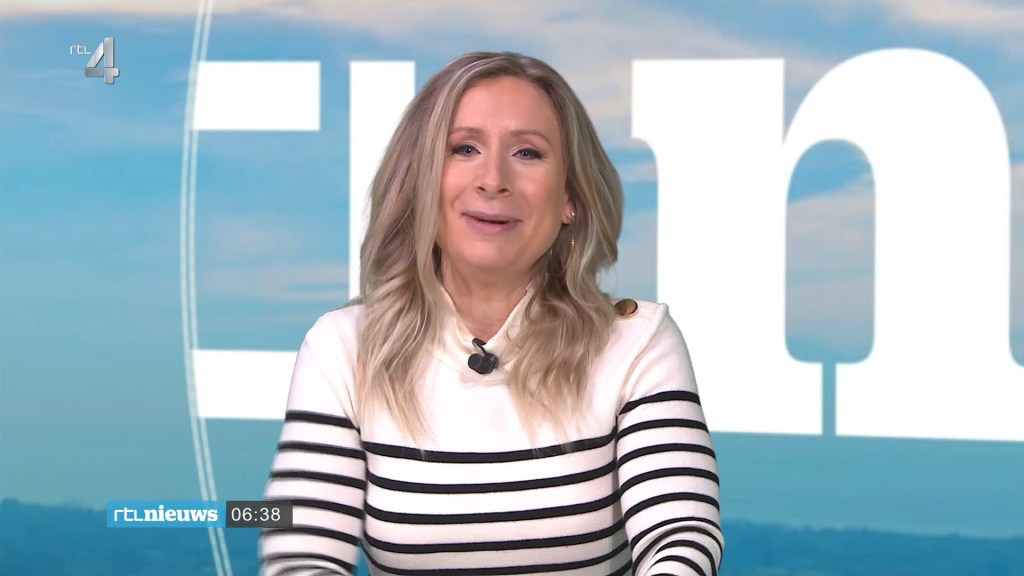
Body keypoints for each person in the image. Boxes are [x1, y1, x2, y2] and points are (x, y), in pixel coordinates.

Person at [259, 51, 722, 576]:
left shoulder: (637, 342)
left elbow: (681, 537)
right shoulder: (342, 347)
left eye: (527, 152)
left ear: (569, 198)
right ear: (420, 181)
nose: (493, 179)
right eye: (464, 148)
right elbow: (303, 549)